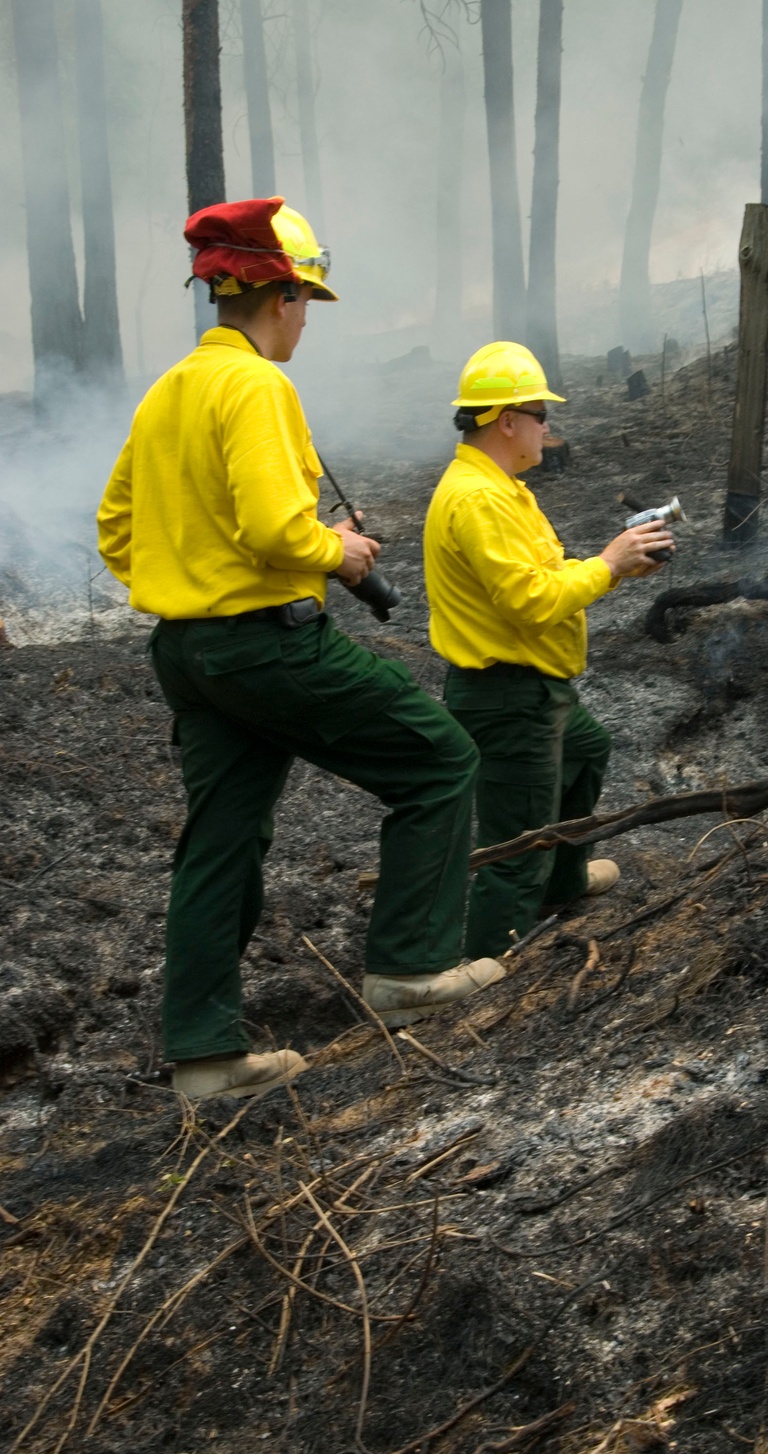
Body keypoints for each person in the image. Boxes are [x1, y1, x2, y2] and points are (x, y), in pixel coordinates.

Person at [97, 198, 503, 1101]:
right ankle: (411, 969)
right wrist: (341, 551)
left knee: (221, 839)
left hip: (188, 655)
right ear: (281, 298)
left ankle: (204, 1057)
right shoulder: (259, 387)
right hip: (265, 648)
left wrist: (189, 576)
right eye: (307, 302)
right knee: (440, 761)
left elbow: (116, 527)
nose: (307, 321)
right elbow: (280, 530)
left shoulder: (169, 391)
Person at [423, 341, 675, 961]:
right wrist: (607, 563)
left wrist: (615, 570)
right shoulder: (480, 500)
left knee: (588, 750)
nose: (547, 429)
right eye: (541, 416)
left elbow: (545, 577)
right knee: (519, 840)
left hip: (533, 684)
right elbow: (531, 601)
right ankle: (492, 962)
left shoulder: (501, 488)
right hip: (509, 694)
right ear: (507, 421)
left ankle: (562, 882)